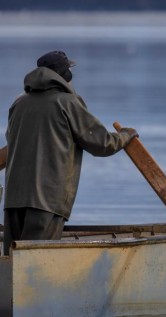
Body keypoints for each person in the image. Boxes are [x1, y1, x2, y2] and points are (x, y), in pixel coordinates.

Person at [2, 50, 138, 256]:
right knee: (37, 263)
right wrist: (127, 135)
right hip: (46, 202)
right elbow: (102, 144)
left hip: (13, 201)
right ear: (63, 75)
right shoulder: (68, 103)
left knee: (12, 262)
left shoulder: (18, 104)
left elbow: (11, 139)